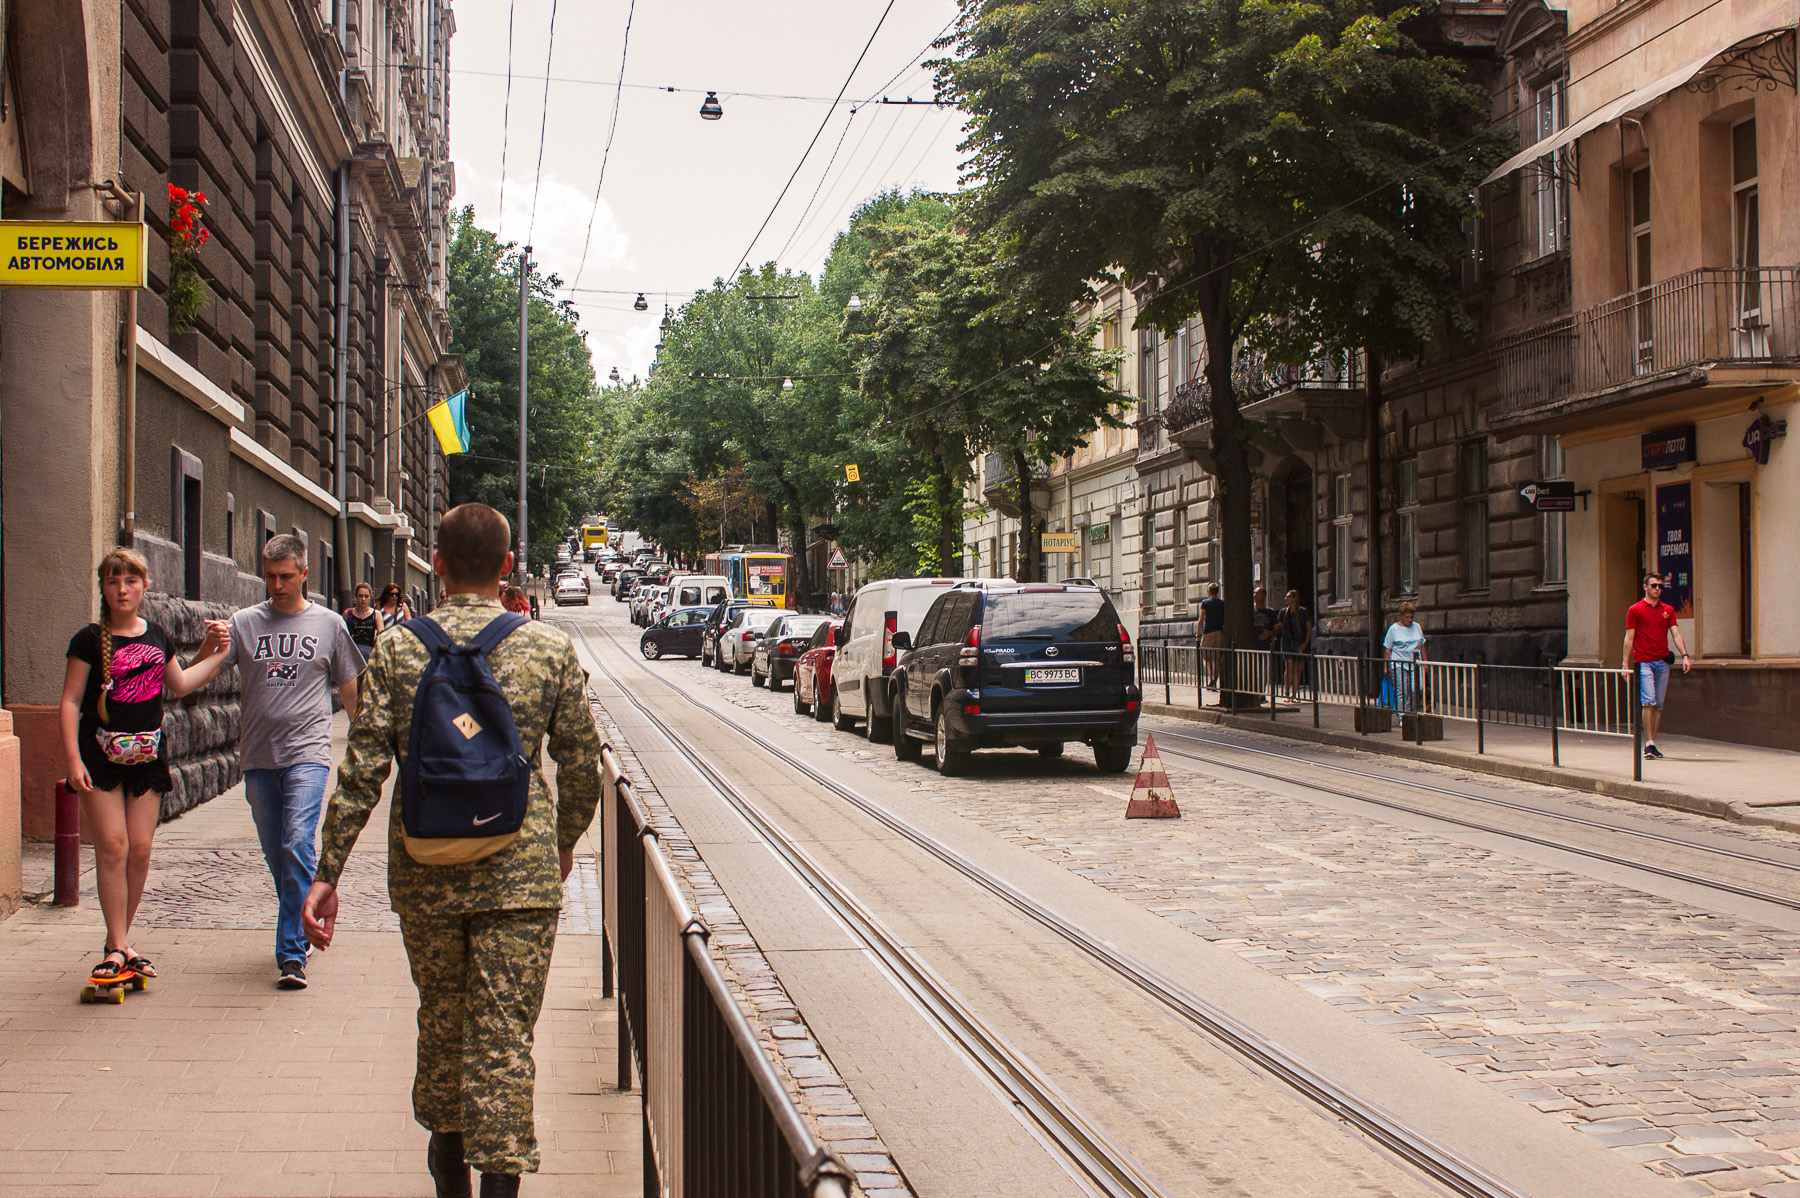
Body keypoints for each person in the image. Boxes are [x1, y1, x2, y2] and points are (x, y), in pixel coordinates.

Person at [302, 504, 600, 1198]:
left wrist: (327, 874)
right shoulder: (547, 649)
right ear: (506, 568)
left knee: (442, 1020)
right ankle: (501, 1186)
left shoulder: (401, 649)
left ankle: (448, 1177)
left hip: (426, 867)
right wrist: (557, 846)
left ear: (436, 565)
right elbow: (581, 765)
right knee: (504, 1036)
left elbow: (363, 770)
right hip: (518, 875)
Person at [60, 549, 233, 985]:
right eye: (114, 581)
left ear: (144, 586)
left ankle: (118, 942)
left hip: (147, 755)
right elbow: (69, 701)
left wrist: (217, 654)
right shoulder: (88, 638)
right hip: (99, 755)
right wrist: (73, 760)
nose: (122, 589)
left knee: (139, 849)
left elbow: (181, 683)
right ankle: (118, 946)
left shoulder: (157, 635)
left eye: (131, 581)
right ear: (103, 587)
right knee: (113, 847)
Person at [228, 535, 366, 989]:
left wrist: (370, 752)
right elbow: (196, 675)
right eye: (269, 576)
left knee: (297, 842)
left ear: (305, 574)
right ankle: (311, 900)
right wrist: (197, 650)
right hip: (257, 755)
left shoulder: (328, 625)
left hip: (308, 753)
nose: (277, 584)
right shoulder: (244, 623)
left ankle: (291, 953)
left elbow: (351, 696)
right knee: (279, 855)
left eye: (286, 576)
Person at [1622, 572, 1690, 759]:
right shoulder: (1635, 610)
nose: (1658, 589)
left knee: (1658, 705)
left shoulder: (1667, 609)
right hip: (1643, 661)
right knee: (1649, 701)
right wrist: (1625, 663)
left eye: (1660, 586)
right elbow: (1629, 638)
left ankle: (1652, 743)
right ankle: (1648, 743)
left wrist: (1685, 655)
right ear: (1645, 587)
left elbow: (1675, 634)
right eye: (1654, 586)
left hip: (1662, 662)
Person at [1383, 601, 1427, 712]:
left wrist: (1425, 662)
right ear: (1400, 616)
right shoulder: (1393, 629)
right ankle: (1402, 715)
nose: (1409, 620)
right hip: (1399, 663)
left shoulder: (1417, 627)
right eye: (1407, 617)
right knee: (1402, 690)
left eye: (1411, 617)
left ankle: (1410, 710)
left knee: (1417, 688)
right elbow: (1388, 649)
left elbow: (1422, 646)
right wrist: (1386, 666)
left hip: (1415, 664)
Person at [1273, 589, 1312, 699]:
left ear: (1295, 598)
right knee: (1289, 666)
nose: (1286, 599)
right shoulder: (1283, 612)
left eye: (1288, 596)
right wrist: (1276, 627)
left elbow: (1309, 628)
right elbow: (1279, 625)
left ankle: (1294, 694)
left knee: (1298, 668)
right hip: (1287, 641)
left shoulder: (1303, 612)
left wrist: (1306, 642)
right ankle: (1286, 692)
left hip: (1299, 641)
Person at [1196, 582, 1225, 689]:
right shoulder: (1222, 603)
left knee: (1206, 657)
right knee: (1216, 658)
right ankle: (1215, 679)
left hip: (1208, 632)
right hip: (1219, 632)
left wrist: (1198, 635)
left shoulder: (1205, 603)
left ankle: (1211, 679)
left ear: (1209, 591)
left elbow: (1201, 619)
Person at [345, 582, 381, 663]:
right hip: (352, 652)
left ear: (370, 597)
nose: (363, 599)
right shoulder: (349, 613)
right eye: (360, 596)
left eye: (366, 596)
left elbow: (381, 635)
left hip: (369, 652)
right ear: (356, 597)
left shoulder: (375, 614)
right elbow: (342, 633)